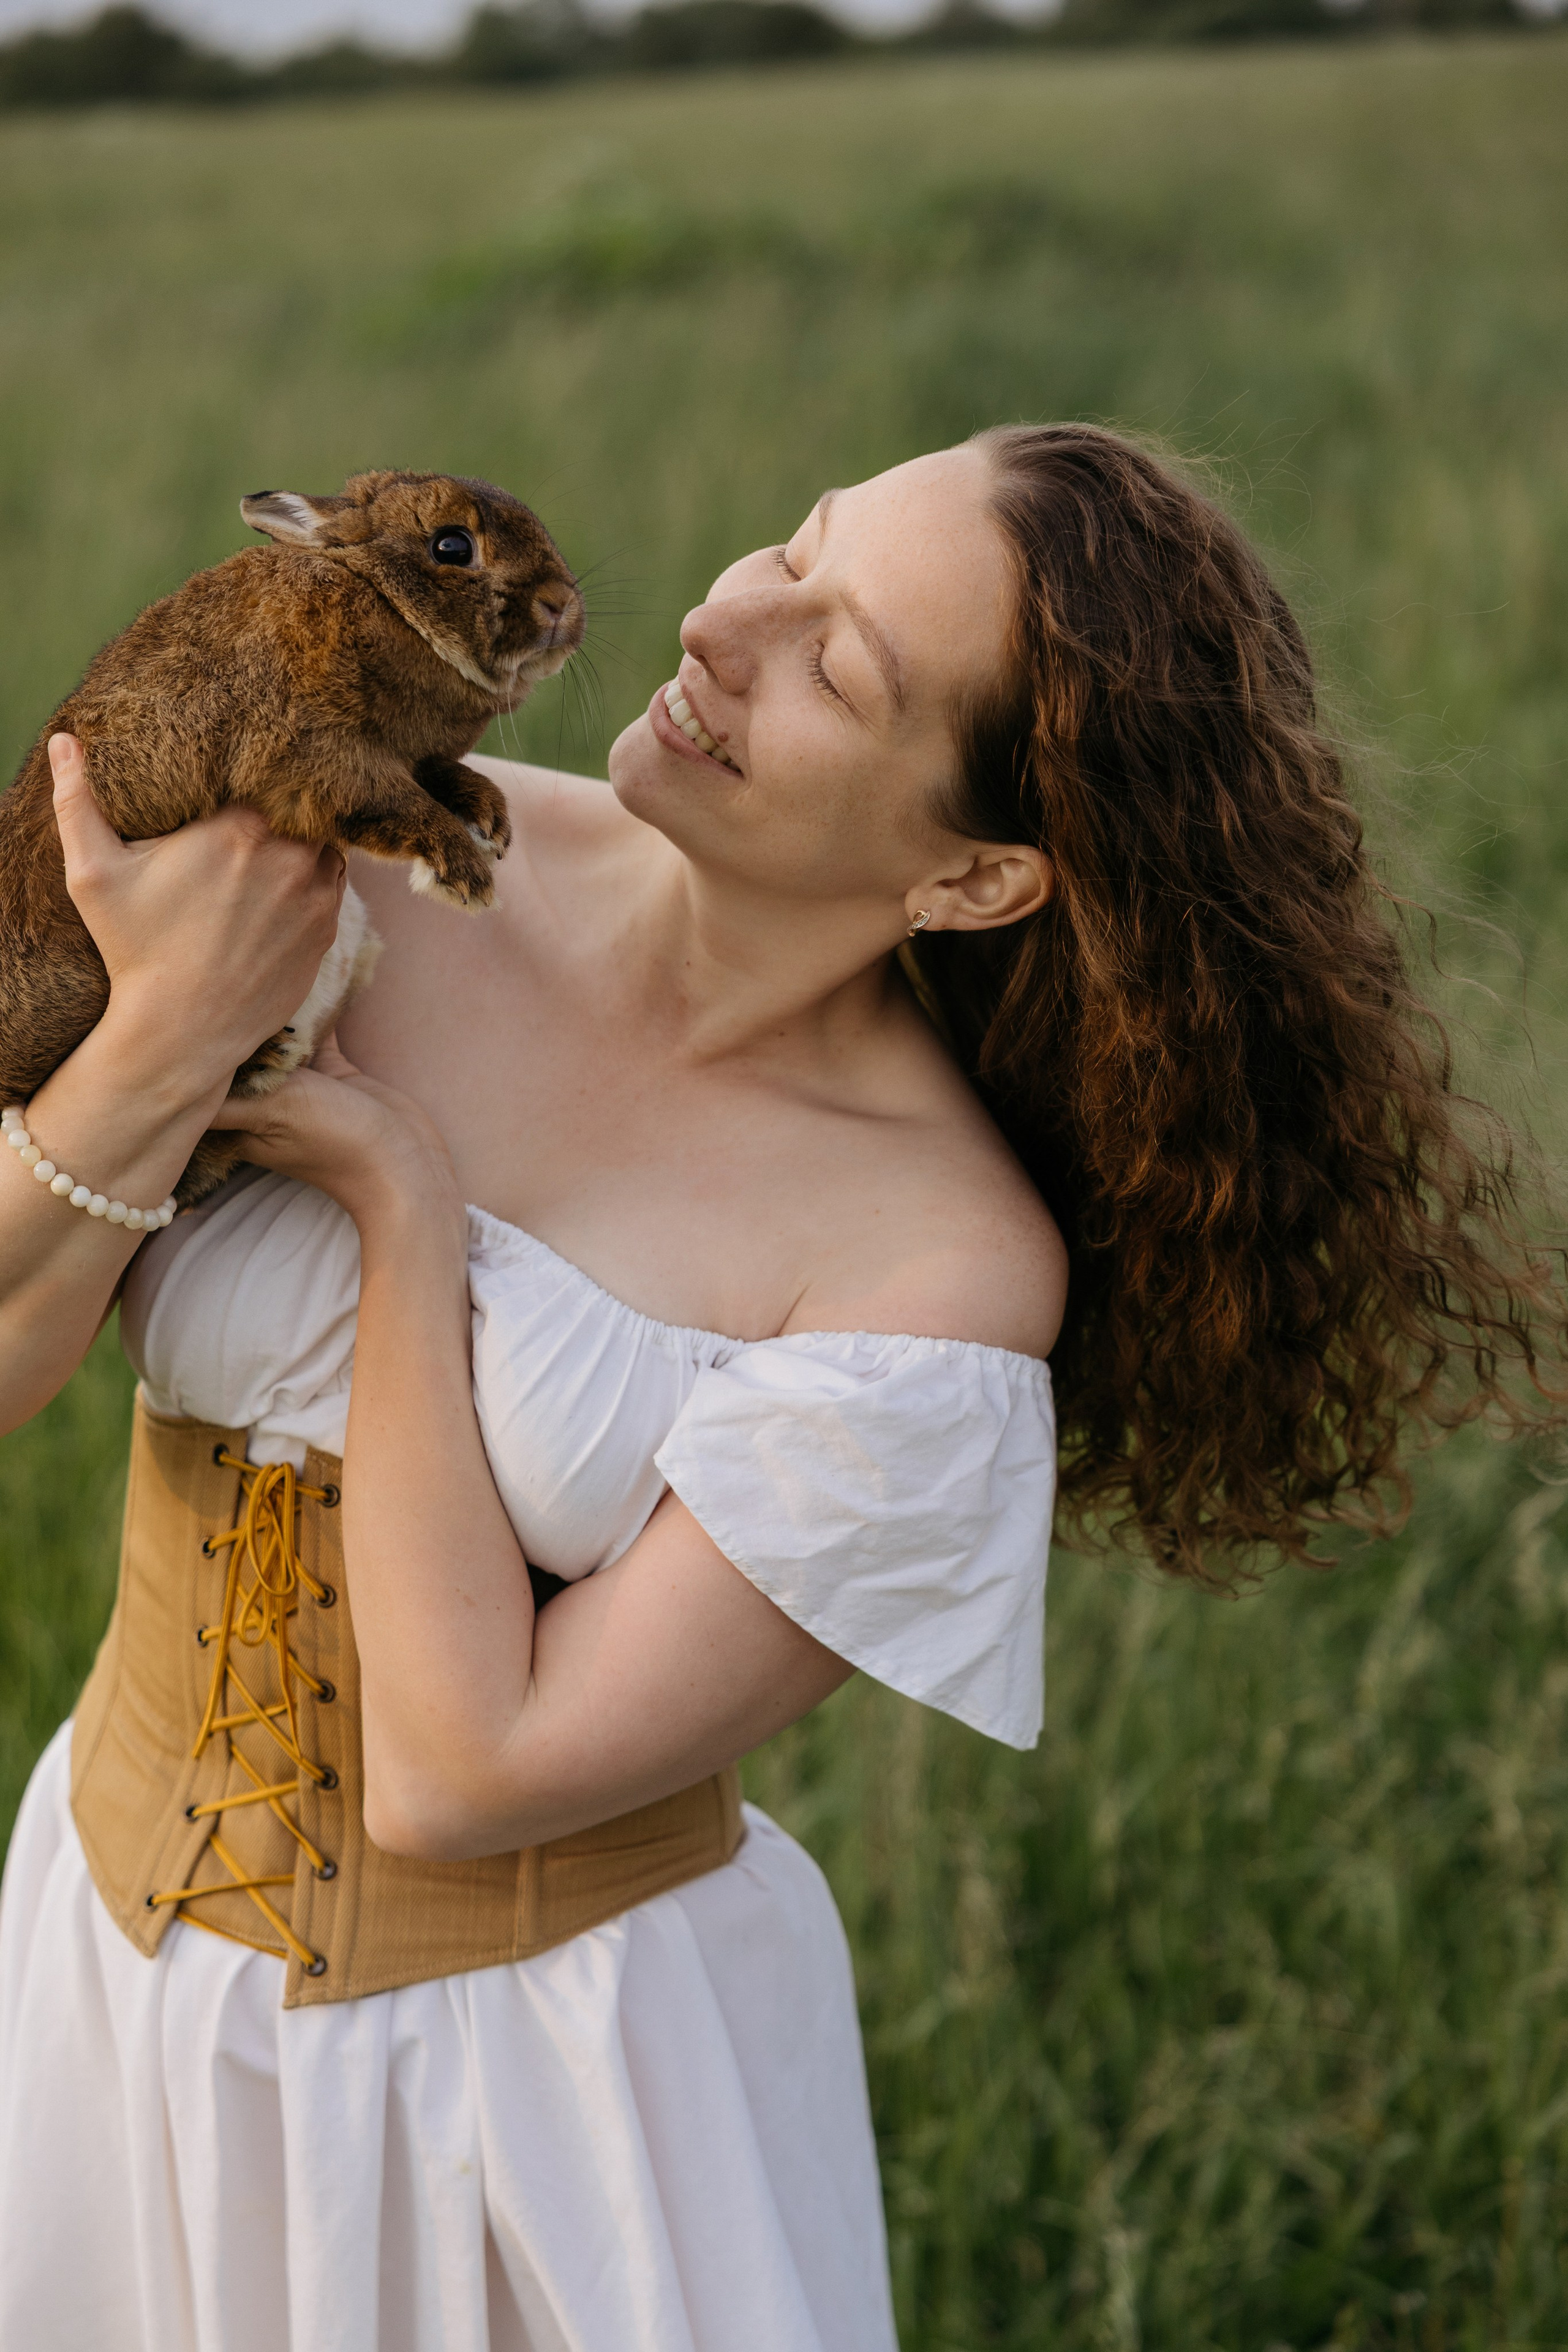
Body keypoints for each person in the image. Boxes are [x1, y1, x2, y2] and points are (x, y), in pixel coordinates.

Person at [0, 425, 1556, 2352]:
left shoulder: (939, 1273)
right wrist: (151, 1043)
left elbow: (466, 1776)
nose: (731, 615)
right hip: (107, 1974)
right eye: (794, 548)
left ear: (981, 873)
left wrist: (403, 1201)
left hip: (537, 2105)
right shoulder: (375, 860)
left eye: (840, 665)